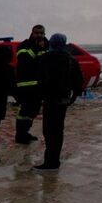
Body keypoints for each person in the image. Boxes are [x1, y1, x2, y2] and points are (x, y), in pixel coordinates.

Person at [34, 33, 84, 171]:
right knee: (58, 130)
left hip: (50, 99)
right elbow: (78, 81)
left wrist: (39, 96)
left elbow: (39, 80)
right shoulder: (71, 59)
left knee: (49, 131)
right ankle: (54, 160)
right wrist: (73, 96)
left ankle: (50, 162)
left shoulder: (44, 58)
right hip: (63, 99)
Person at [14, 24, 48, 144]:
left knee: (33, 110)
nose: (39, 35)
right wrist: (37, 49)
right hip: (26, 84)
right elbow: (24, 61)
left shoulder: (47, 45)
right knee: (24, 111)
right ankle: (20, 135)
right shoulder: (25, 46)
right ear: (32, 33)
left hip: (39, 84)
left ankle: (26, 132)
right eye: (36, 33)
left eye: (41, 33)